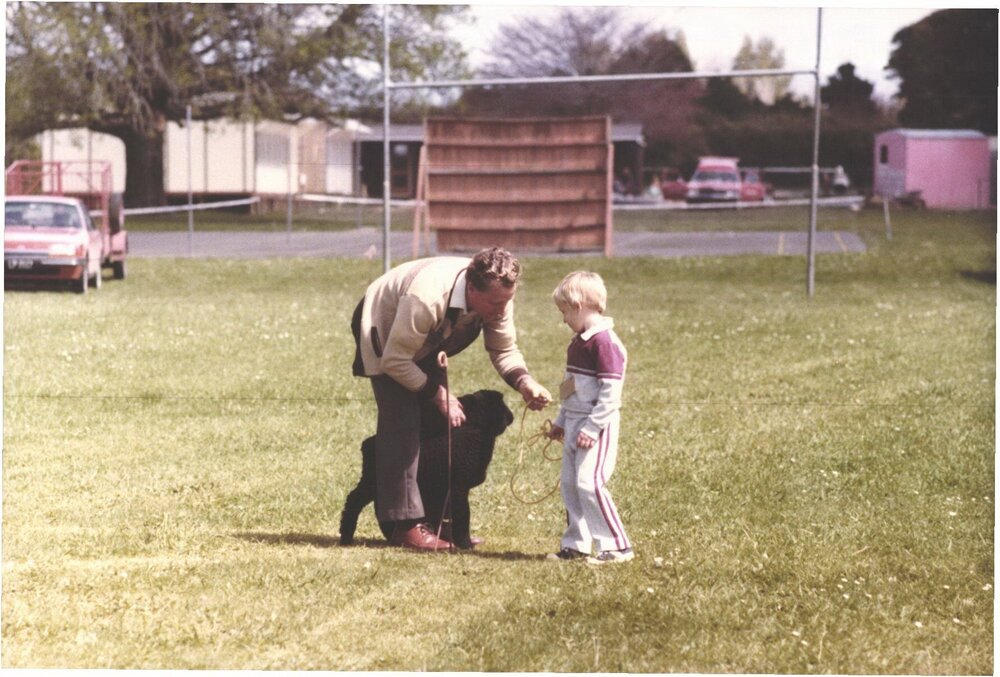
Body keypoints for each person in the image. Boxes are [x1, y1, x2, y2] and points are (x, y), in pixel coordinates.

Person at [351, 247, 552, 551]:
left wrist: (525, 383)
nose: (501, 310)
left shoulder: (497, 295)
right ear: (471, 288)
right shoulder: (427, 297)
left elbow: (503, 349)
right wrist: (436, 392)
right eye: (495, 303)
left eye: (506, 302)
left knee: (439, 426)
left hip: (423, 336)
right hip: (385, 324)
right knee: (404, 421)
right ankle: (406, 526)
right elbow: (395, 360)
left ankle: (439, 523)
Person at [546, 271, 633, 564]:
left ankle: (617, 547)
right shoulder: (578, 342)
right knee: (570, 485)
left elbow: (611, 393)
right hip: (573, 421)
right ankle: (576, 545)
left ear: (580, 304)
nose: (563, 319)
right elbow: (569, 386)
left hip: (595, 423)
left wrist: (593, 427)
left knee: (589, 483)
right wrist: (560, 420)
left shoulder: (605, 343)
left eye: (565, 311)